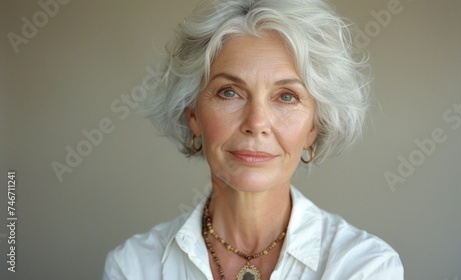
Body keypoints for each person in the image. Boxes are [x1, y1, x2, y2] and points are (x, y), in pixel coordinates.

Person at [103, 0, 404, 279]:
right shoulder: (134, 266)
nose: (256, 123)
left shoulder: (365, 266)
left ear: (314, 126)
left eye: (286, 97)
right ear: (192, 113)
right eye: (229, 92)